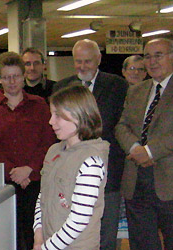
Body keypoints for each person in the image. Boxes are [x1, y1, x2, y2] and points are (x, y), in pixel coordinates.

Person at [0, 51, 55, 250]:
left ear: (23, 76)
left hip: (34, 183)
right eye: (6, 77)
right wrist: (13, 171)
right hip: (3, 186)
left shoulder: (39, 105)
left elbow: (49, 141)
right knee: (4, 237)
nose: (12, 81)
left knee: (35, 238)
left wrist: (29, 169)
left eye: (16, 76)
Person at [54, 39, 128, 250]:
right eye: (78, 62)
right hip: (71, 174)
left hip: (108, 174)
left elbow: (120, 125)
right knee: (74, 231)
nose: (82, 67)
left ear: (99, 60)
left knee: (105, 234)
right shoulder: (62, 87)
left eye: (87, 62)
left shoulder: (118, 86)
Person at [33, 85, 109, 250]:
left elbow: (79, 219)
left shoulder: (91, 160)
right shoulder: (54, 150)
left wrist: (46, 248)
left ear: (80, 115)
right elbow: (42, 197)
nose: (51, 121)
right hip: (48, 242)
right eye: (51, 114)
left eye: (58, 115)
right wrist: (38, 237)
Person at [115, 38, 173, 250]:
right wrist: (135, 149)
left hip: (169, 184)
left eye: (159, 55)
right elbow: (121, 126)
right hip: (136, 182)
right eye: (148, 56)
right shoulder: (136, 91)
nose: (152, 61)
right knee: (142, 244)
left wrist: (150, 151)